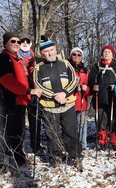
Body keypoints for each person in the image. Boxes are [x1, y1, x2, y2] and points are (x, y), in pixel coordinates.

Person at [0, 32, 42, 173]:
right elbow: (8, 81)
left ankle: (18, 159)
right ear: (6, 43)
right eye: (13, 41)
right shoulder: (2, 59)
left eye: (18, 42)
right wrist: (28, 91)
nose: (17, 44)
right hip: (6, 101)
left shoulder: (16, 60)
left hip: (19, 102)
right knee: (3, 132)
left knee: (18, 132)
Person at [34, 36, 82, 169]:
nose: (50, 53)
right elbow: (38, 85)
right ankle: (55, 157)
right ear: (42, 53)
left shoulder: (66, 64)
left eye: (52, 49)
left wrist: (64, 94)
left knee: (70, 132)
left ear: (56, 49)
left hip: (67, 104)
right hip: (49, 107)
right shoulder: (38, 68)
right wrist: (54, 96)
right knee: (52, 134)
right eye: (47, 51)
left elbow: (74, 81)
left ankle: (76, 157)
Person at [88, 45, 116, 151]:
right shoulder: (96, 66)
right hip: (100, 99)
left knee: (115, 121)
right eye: (105, 52)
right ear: (102, 54)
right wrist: (94, 85)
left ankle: (114, 143)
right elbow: (90, 79)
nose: (106, 54)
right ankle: (102, 142)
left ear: (112, 54)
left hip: (114, 99)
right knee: (101, 122)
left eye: (109, 52)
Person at [18, 33, 42, 154]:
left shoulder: (36, 58)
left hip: (33, 94)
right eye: (23, 41)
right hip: (20, 94)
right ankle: (18, 146)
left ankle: (36, 145)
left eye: (27, 41)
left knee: (35, 121)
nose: (25, 43)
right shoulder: (15, 57)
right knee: (19, 122)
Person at [69, 47, 91, 149]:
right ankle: (72, 144)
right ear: (70, 56)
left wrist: (86, 89)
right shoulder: (67, 68)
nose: (76, 57)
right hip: (69, 101)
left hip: (82, 101)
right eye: (74, 54)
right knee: (70, 125)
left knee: (82, 124)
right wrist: (74, 88)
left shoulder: (86, 71)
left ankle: (82, 145)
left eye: (79, 55)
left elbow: (90, 90)